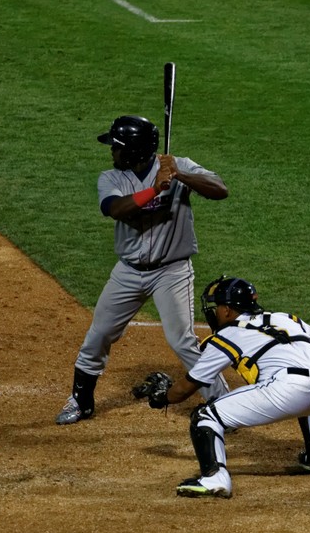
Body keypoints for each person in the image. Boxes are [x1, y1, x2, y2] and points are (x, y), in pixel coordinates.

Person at [55, 115, 230, 424]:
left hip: (171, 273)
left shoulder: (178, 165)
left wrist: (180, 175)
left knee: (182, 341)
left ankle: (223, 405)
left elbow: (220, 189)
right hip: (128, 272)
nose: (112, 152)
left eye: (117, 147)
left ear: (134, 151)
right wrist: (154, 190)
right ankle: (81, 401)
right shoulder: (110, 178)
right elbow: (114, 209)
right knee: (99, 334)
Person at [143, 276, 310, 498]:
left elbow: (187, 387)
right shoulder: (284, 318)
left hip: (289, 390)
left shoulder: (227, 335)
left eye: (216, 307)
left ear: (226, 310)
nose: (214, 313)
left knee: (206, 415)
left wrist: (163, 397)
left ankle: (214, 478)